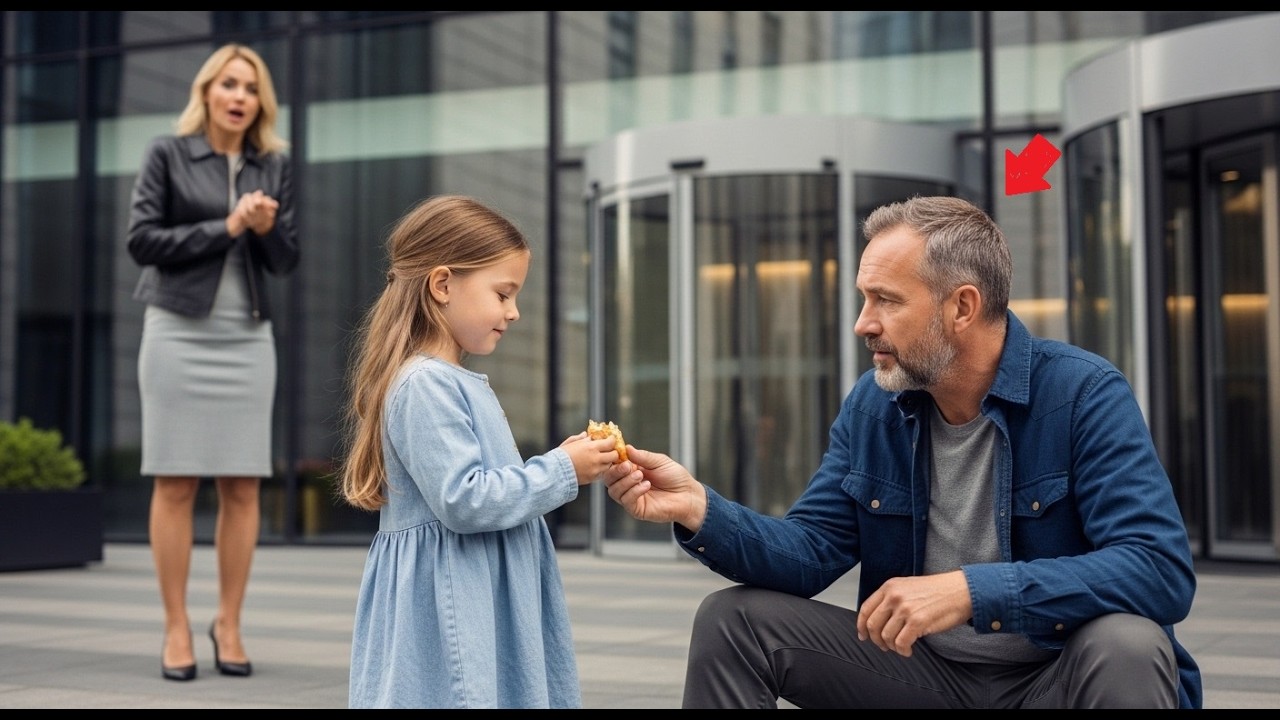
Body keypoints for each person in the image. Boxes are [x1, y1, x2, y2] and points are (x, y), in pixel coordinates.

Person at [603, 195, 1203, 709]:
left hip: (1053, 680)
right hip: (918, 677)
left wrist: (972, 589)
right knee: (732, 621)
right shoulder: (875, 404)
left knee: (1129, 642)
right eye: (864, 299)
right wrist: (699, 508)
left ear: (962, 307)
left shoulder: (1081, 393)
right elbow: (812, 550)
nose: (863, 323)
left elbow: (1158, 569)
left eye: (886, 300)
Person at [337, 194, 620, 709]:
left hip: (476, 584)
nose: (513, 313)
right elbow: (464, 499)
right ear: (442, 285)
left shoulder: (451, 380)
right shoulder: (425, 383)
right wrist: (563, 469)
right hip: (454, 595)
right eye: (503, 293)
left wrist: (564, 458)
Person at [126, 43, 297, 682]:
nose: (237, 96)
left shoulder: (273, 165)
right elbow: (142, 241)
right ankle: (176, 626)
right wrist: (227, 225)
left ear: (259, 102)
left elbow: (286, 259)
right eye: (228, 84)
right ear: (206, 92)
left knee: (242, 483)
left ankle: (228, 621)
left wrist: (262, 226)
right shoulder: (166, 154)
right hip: (176, 331)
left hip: (247, 339)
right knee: (174, 481)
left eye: (249, 88)